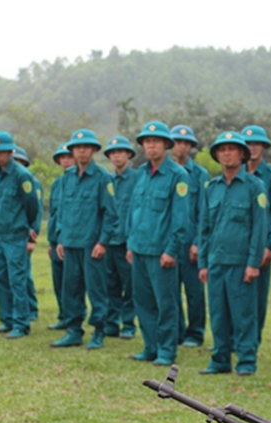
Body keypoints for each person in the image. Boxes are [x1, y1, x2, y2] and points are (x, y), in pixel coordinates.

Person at [197, 132, 267, 376]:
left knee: (244, 314)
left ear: (242, 154)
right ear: (217, 155)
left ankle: (246, 361)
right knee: (218, 313)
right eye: (222, 149)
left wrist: (253, 262)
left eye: (232, 148)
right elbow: (204, 227)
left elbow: (259, 228)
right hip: (216, 261)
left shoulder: (254, 186)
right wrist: (203, 263)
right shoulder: (212, 188)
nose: (226, 153)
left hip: (241, 263)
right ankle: (220, 359)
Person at [125, 122, 189, 365]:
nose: (151, 145)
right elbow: (134, 210)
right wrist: (130, 243)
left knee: (166, 303)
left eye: (156, 141)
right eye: (147, 141)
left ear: (166, 145)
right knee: (143, 301)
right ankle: (150, 347)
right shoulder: (140, 173)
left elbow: (180, 218)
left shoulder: (177, 176)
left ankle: (166, 350)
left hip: (162, 252)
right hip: (140, 249)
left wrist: (172, 250)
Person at [50, 128, 118, 349]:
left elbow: (110, 214)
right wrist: (60, 238)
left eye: (85, 147)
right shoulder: (66, 178)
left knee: (96, 289)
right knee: (71, 288)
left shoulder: (103, 178)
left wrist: (102, 242)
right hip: (70, 243)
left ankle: (98, 331)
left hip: (91, 245)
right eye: (77, 147)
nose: (81, 151)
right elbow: (62, 211)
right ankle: (73, 330)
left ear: (93, 151)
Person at [0, 131, 38, 339]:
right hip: (0, 235)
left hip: (16, 235)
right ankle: (6, 319)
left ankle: (21, 323)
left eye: (2, 153)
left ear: (11, 152)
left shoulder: (21, 175)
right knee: (0, 278)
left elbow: (31, 205)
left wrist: (27, 228)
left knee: (17, 279)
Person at [241, 125, 271, 343]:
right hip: (237, 246)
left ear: (264, 147)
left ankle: (253, 338)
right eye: (248, 144)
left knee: (256, 296)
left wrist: (269, 246)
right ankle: (235, 339)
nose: (252, 148)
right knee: (235, 295)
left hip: (260, 246)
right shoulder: (234, 174)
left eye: (256, 144)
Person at [169, 124, 209, 347]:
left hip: (191, 242)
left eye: (186, 143)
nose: (181, 146)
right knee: (171, 290)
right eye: (177, 142)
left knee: (194, 291)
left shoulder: (200, 175)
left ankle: (195, 333)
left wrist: (198, 243)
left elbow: (204, 211)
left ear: (191, 147)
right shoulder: (166, 173)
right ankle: (177, 331)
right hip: (170, 243)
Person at [103, 135, 137, 340]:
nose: (116, 156)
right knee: (110, 284)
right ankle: (111, 323)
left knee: (130, 285)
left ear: (128, 155)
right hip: (109, 241)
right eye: (113, 153)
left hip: (127, 242)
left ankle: (129, 324)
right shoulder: (107, 180)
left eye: (120, 152)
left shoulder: (137, 179)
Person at [46, 142, 76, 330]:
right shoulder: (57, 184)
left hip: (73, 239)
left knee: (72, 281)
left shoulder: (78, 181)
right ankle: (63, 315)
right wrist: (51, 241)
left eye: (68, 157)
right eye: (62, 158)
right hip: (56, 238)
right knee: (58, 280)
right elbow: (54, 213)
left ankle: (73, 317)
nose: (65, 161)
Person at [12, 146, 43, 322]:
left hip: (25, 234)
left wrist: (33, 236)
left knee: (24, 274)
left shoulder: (32, 182)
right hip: (11, 235)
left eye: (19, 161)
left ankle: (31, 308)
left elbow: (36, 211)